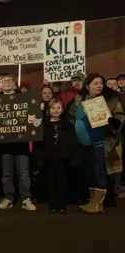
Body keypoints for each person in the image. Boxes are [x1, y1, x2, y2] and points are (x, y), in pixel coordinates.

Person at [69, 73, 124, 214]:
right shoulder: (79, 99)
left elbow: (120, 117)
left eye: (100, 83)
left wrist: (115, 122)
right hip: (85, 143)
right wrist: (76, 129)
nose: (99, 85)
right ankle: (93, 201)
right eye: (95, 83)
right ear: (87, 86)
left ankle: (98, 204)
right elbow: (71, 116)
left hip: (103, 143)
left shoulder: (111, 99)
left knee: (100, 172)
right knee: (91, 172)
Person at [0, 74, 37, 211]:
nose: (7, 82)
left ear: (14, 83)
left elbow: (33, 117)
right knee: (6, 174)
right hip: (4, 144)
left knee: (24, 174)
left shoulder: (25, 99)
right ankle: (8, 198)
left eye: (10, 80)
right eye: (3, 80)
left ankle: (26, 198)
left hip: (21, 142)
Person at [39, 99, 79, 213]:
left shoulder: (67, 124)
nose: (56, 110)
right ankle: (52, 202)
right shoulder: (44, 124)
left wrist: (72, 156)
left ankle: (61, 203)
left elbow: (72, 141)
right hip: (49, 156)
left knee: (62, 180)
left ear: (62, 109)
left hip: (63, 157)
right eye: (53, 108)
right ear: (48, 110)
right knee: (51, 180)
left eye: (58, 108)